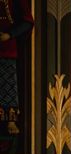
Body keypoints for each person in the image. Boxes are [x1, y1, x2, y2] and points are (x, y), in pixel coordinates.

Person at [0, 0, 33, 136]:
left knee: (8, 85)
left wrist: (9, 35)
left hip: (7, 49)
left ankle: (11, 120)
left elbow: (27, 21)